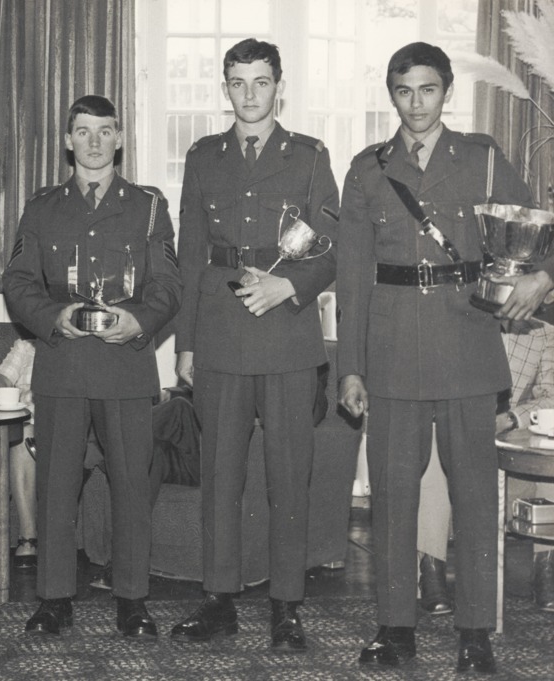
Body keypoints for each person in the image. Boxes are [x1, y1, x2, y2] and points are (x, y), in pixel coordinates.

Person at [338, 42, 551, 674]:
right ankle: (395, 627)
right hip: (394, 347)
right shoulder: (368, 169)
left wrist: (543, 278)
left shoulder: (482, 161)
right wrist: (352, 366)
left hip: (466, 343)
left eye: (428, 89)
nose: (416, 103)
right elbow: (352, 277)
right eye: (404, 91)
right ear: (392, 94)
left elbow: (540, 229)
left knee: (476, 501)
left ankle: (475, 633)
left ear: (447, 91)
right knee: (395, 499)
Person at [171, 38, 339, 653]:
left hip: (288, 335)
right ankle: (218, 599)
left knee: (289, 474)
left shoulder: (310, 156)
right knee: (220, 474)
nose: (250, 94)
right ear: (225, 88)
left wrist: (287, 286)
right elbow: (189, 254)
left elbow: (331, 245)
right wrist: (185, 343)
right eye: (238, 82)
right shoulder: (204, 156)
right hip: (218, 331)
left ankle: (286, 606)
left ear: (279, 86)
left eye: (260, 82)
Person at [3, 94, 182, 637]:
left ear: (120, 138)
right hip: (61, 364)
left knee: (130, 483)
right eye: (83, 131)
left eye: (105, 131)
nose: (95, 142)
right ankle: (54, 599)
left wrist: (140, 322)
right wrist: (56, 316)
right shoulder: (42, 206)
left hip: (126, 364)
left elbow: (169, 284)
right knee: (57, 486)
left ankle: (133, 599)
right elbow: (18, 283)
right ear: (67, 140)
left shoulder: (149, 206)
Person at [417, 318, 554, 616]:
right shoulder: (455, 323)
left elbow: (551, 396)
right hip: (455, 442)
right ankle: (431, 572)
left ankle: (547, 570)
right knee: (432, 448)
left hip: (507, 458)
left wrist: (509, 419)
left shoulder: (543, 334)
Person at [0, 338, 38, 569]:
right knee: (23, 434)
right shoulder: (26, 347)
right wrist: (4, 389)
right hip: (27, 424)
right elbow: (1, 377)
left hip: (62, 425)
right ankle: (28, 538)